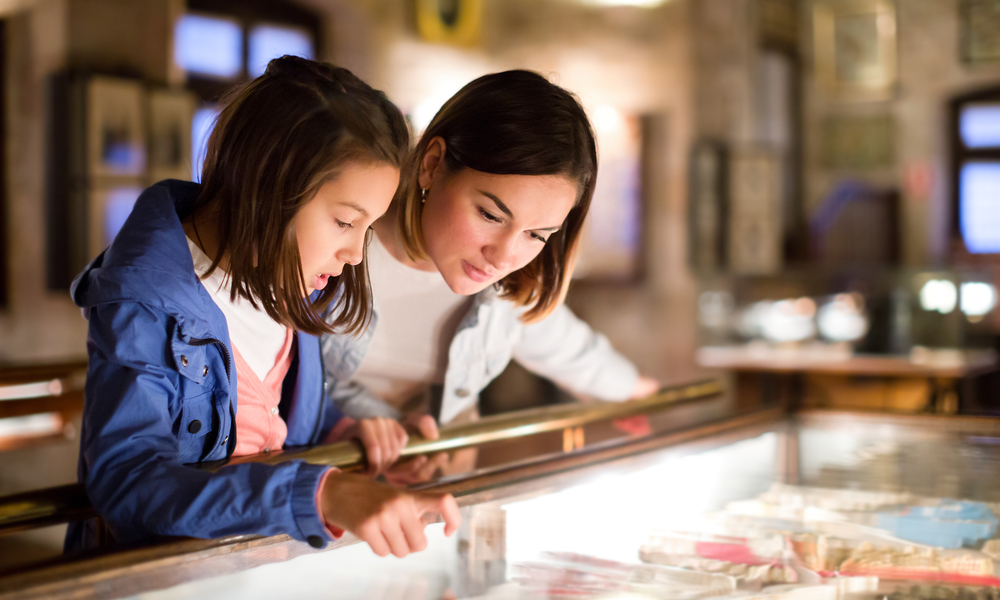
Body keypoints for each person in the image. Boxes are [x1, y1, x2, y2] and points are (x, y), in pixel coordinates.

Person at [65, 57, 459, 558]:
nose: (356, 255)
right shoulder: (145, 305)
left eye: (367, 228)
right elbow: (128, 481)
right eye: (345, 222)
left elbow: (271, 415)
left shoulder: (291, 282)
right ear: (268, 187)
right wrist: (321, 494)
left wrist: (345, 432)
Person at [321, 70, 659, 474]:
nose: (503, 256)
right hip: (323, 468)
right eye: (490, 215)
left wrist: (640, 394)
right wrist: (377, 428)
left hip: (430, 475)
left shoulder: (510, 291)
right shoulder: (331, 253)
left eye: (537, 234)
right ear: (432, 164)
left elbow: (572, 351)